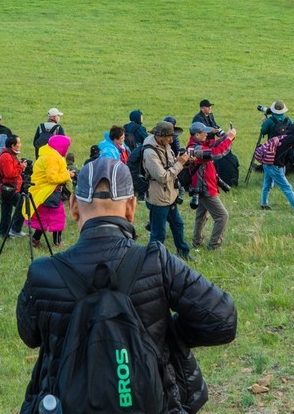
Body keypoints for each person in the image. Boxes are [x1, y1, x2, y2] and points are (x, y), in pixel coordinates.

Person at [15, 158, 237, 414]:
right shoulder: (156, 261)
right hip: (152, 400)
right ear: (131, 207)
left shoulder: (43, 273)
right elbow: (222, 320)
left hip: (65, 401)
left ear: (73, 207)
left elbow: (29, 335)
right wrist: (167, 336)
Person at [142, 121, 192, 259]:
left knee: (178, 225)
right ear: (160, 136)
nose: (172, 139)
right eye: (169, 136)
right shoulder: (150, 153)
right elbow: (162, 177)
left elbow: (170, 165)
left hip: (170, 195)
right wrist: (180, 164)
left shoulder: (166, 145)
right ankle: (153, 259)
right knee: (158, 233)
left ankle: (183, 253)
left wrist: (182, 161)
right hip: (158, 198)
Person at [186, 122, 235, 251]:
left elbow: (214, 145)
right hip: (205, 187)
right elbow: (215, 153)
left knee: (201, 216)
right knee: (222, 216)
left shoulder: (197, 145)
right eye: (204, 132)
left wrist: (227, 136)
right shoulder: (195, 150)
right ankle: (214, 245)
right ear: (197, 134)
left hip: (200, 186)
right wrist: (229, 138)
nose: (207, 134)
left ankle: (197, 241)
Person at [24, 134, 74, 248]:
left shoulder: (48, 155)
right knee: (58, 217)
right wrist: (68, 174)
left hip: (44, 192)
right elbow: (52, 178)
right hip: (49, 192)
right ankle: (57, 241)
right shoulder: (52, 158)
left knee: (43, 217)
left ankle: (35, 240)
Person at [258, 119, 294, 213]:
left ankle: (263, 204)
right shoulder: (288, 139)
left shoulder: (282, 137)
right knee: (287, 188)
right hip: (274, 167)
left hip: (267, 163)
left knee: (267, 185)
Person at [0, 134, 28, 238]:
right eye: (18, 143)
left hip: (10, 188)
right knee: (23, 204)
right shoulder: (6, 156)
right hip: (9, 188)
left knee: (6, 210)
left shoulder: (11, 154)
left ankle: (4, 232)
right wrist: (21, 167)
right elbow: (9, 173)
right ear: (12, 145)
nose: (20, 145)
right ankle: (15, 229)